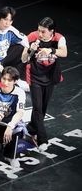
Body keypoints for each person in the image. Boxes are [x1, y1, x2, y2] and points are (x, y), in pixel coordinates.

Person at [21, 17, 67, 152]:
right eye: (39, 30)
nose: (40, 34)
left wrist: (51, 51)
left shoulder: (58, 38)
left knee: (43, 107)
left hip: (50, 77)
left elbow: (64, 52)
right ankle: (42, 139)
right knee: (37, 108)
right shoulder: (32, 36)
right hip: (35, 77)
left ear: (51, 31)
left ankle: (31, 129)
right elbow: (23, 59)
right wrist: (30, 49)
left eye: (43, 32)